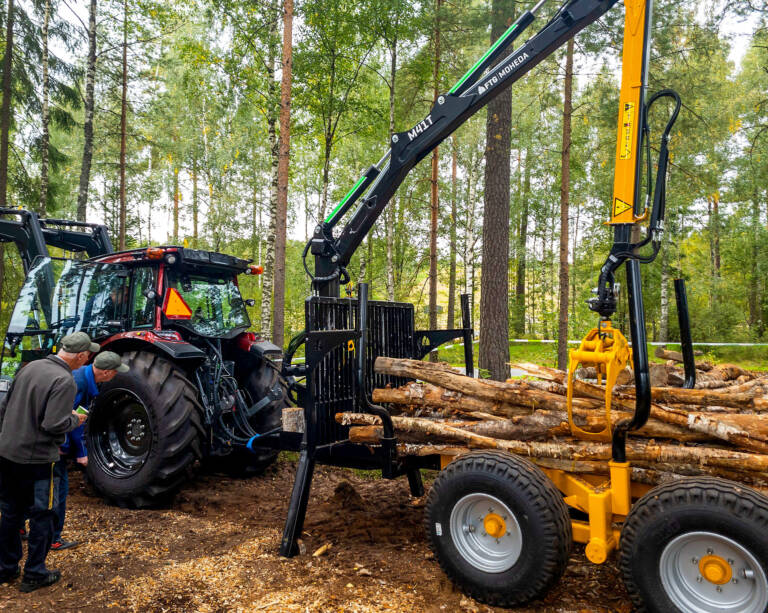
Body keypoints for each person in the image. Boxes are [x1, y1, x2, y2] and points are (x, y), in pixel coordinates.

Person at [0, 332, 98, 593]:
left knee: (10, 512)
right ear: (79, 356)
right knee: (44, 514)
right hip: (39, 460)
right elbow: (53, 424)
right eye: (88, 355)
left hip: (8, 452)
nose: (88, 359)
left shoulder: (29, 367)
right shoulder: (64, 380)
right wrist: (74, 421)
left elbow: (4, 407)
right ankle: (34, 573)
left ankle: (6, 567)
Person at [52, 352, 128, 551]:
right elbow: (71, 420)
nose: (115, 376)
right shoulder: (79, 384)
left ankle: (21, 528)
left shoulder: (83, 376)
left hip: (56, 444)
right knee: (57, 491)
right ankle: (52, 538)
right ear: (105, 373)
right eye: (115, 373)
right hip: (55, 447)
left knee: (43, 488)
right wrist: (80, 452)